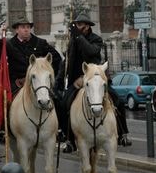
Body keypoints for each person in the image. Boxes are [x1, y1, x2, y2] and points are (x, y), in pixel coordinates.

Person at [54, 13, 131, 153]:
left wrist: (78, 37)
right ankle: (69, 138)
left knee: (117, 100)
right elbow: (66, 62)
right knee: (63, 103)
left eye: (81, 25)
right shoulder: (72, 41)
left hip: (95, 78)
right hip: (76, 81)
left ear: (88, 26)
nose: (78, 27)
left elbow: (90, 52)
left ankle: (123, 133)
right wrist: (59, 81)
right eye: (77, 25)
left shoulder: (96, 39)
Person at [0, 16, 62, 97]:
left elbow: (57, 58)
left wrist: (49, 76)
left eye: (28, 27)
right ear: (17, 29)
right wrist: (0, 39)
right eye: (23, 27)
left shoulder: (40, 43)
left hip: (39, 82)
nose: (26, 30)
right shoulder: (9, 44)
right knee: (6, 100)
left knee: (57, 100)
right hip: (17, 84)